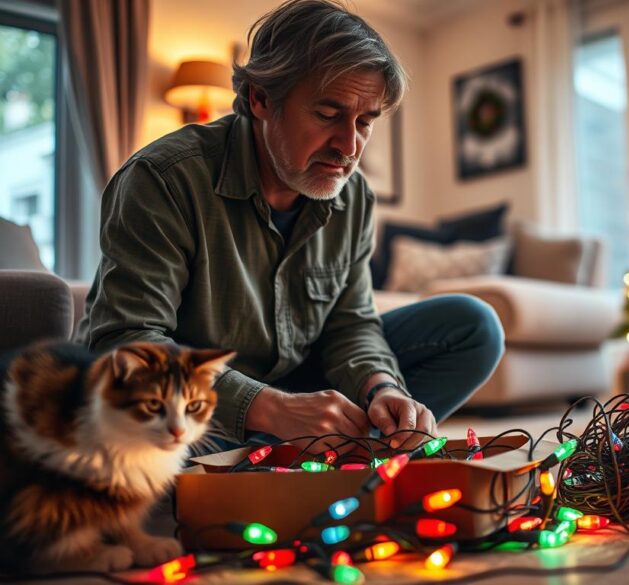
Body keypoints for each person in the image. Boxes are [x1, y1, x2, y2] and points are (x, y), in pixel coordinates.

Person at [75, 0, 504, 451]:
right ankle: (299, 458)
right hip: (195, 410)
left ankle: (308, 457)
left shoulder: (353, 196)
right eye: (327, 114)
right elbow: (127, 341)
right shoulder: (164, 178)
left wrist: (383, 388)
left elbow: (350, 324)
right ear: (261, 98)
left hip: (294, 386)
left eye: (365, 122)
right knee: (131, 441)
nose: (349, 146)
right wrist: (270, 408)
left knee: (473, 326)